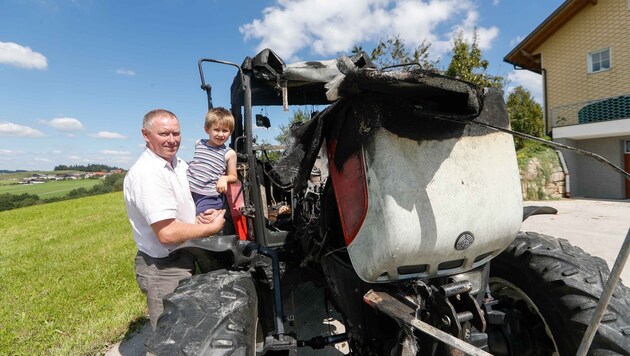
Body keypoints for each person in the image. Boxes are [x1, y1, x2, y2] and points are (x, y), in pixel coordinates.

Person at [123, 108, 225, 330]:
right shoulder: (148, 173)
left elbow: (192, 199)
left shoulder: (179, 165)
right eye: (164, 134)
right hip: (162, 268)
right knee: (169, 336)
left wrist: (204, 214)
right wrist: (211, 228)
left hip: (182, 257)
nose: (172, 140)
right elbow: (167, 233)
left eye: (176, 134)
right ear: (146, 134)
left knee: (185, 327)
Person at [186, 107, 238, 215]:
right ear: (207, 129)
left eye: (225, 130)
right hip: (188, 191)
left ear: (230, 132)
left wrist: (224, 178)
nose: (220, 134)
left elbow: (233, 176)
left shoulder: (229, 153)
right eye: (216, 130)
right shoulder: (199, 143)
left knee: (203, 220)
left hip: (208, 196)